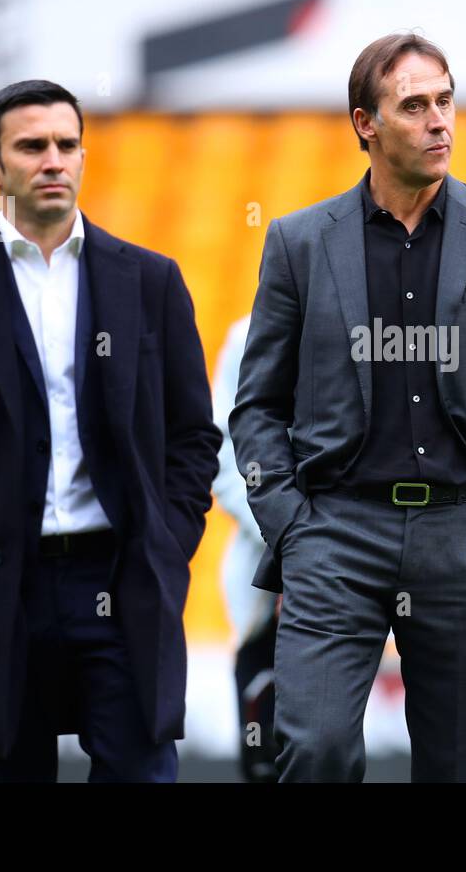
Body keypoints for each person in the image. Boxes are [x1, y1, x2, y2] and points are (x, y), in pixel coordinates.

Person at [229, 33, 466, 782]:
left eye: (445, 101)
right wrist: (291, 525)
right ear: (366, 124)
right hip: (334, 535)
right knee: (314, 748)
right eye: (413, 106)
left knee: (457, 767)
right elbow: (255, 407)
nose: (438, 121)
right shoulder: (298, 243)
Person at [0, 79, 221, 781]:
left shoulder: (150, 279)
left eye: (67, 145)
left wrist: (167, 539)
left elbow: (193, 436)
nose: (54, 160)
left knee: (142, 774)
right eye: (33, 146)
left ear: (84, 157)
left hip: (122, 582)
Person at [212, 314, 280, 782]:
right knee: (263, 756)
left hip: (351, 575)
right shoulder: (247, 335)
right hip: (262, 585)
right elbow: (221, 453)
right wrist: (287, 538)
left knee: (328, 749)